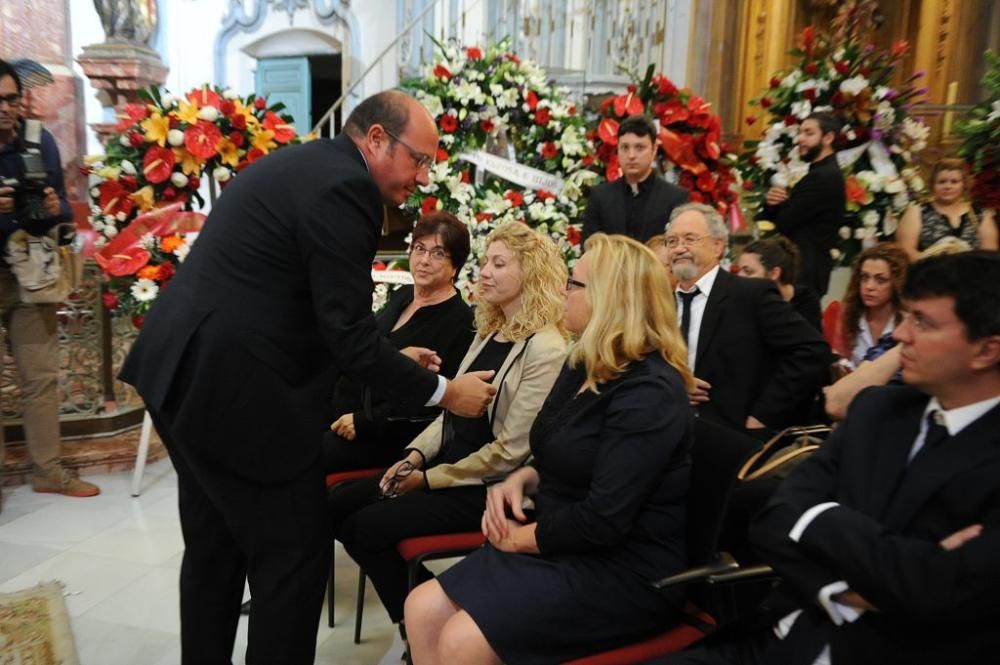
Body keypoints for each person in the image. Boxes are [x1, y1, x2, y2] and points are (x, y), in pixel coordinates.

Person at [117, 90, 497, 665]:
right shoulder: (348, 189)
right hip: (237, 391)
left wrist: (394, 357)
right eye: (418, 159)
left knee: (216, 549)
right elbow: (347, 333)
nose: (421, 177)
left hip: (183, 371)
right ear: (375, 139)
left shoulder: (303, 163)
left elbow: (305, 310)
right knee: (294, 557)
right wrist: (447, 391)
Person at [658, 250, 1000, 665]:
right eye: (906, 316)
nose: (901, 336)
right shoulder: (879, 411)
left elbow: (941, 597)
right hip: (781, 638)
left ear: (986, 351)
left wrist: (820, 520)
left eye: (923, 322)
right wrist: (862, 580)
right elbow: (771, 520)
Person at [405, 232, 696, 665]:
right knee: (421, 608)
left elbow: (605, 521)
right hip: (560, 540)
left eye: (575, 284)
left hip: (623, 569)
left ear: (611, 299)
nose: (563, 291)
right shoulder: (583, 360)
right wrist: (521, 478)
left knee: (460, 642)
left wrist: (518, 539)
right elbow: (557, 449)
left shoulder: (650, 391)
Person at [328, 222, 568, 640]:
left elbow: (511, 451)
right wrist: (414, 457)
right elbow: (449, 411)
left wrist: (427, 480)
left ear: (530, 272)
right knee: (338, 507)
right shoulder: (492, 327)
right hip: (448, 466)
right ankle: (423, 620)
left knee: (367, 527)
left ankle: (419, 628)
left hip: (489, 487)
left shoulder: (546, 346)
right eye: (485, 263)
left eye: (498, 264)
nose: (485, 273)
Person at [0, 58, 99, 503]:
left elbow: (56, 217)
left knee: (39, 378)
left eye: (10, 98)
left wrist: (56, 204)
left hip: (32, 273)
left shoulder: (42, 142)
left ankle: (49, 471)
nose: (6, 109)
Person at [323, 211, 474, 472]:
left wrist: (364, 421)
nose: (424, 260)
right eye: (419, 248)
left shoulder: (460, 320)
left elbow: (435, 400)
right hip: (340, 406)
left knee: (300, 457)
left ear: (456, 266)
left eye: (438, 253)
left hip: (381, 432)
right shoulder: (404, 295)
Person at [665, 203, 830, 435]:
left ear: (717, 246)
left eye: (689, 239)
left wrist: (764, 415)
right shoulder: (662, 302)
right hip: (670, 431)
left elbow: (811, 350)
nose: (679, 248)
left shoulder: (751, 294)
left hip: (732, 438)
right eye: (672, 241)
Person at [763, 112, 846, 298]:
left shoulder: (821, 177)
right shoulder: (824, 172)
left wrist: (775, 205)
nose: (800, 139)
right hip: (809, 268)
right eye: (800, 133)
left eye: (809, 133)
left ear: (828, 138)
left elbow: (785, 222)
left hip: (805, 270)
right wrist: (774, 202)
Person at [582, 114, 689, 245]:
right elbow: (589, 249)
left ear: (654, 150)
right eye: (625, 147)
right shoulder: (600, 197)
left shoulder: (676, 198)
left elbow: (678, 247)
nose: (631, 155)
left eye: (639, 148)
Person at [897, 157, 998, 261]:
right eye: (941, 182)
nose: (947, 186)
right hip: (928, 274)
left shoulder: (981, 215)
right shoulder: (916, 212)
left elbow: (989, 257)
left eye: (954, 182)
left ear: (964, 184)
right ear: (932, 184)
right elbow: (906, 251)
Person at [836, 243, 909, 369]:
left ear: (898, 283)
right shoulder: (845, 317)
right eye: (864, 277)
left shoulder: (908, 322)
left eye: (881, 280)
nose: (869, 287)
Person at [737, 236, 822, 331]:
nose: (739, 276)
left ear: (774, 273)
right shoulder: (743, 299)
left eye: (748, 272)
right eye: (738, 270)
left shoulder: (806, 301)